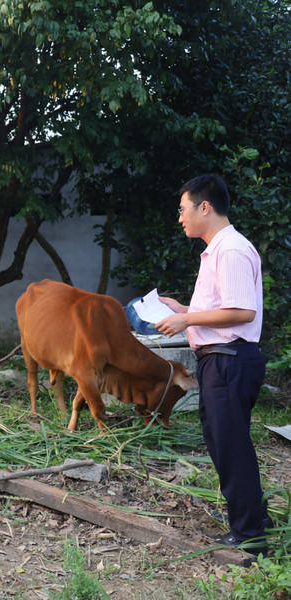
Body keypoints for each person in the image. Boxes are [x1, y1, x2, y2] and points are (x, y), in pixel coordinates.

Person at [155, 174, 270, 554]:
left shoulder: (230, 250)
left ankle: (250, 535)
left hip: (229, 360)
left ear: (205, 207)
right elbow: (223, 308)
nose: (180, 218)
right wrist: (184, 310)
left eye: (183, 209)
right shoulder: (217, 250)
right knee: (226, 444)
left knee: (231, 446)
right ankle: (254, 517)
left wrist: (188, 321)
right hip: (221, 361)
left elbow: (241, 311)